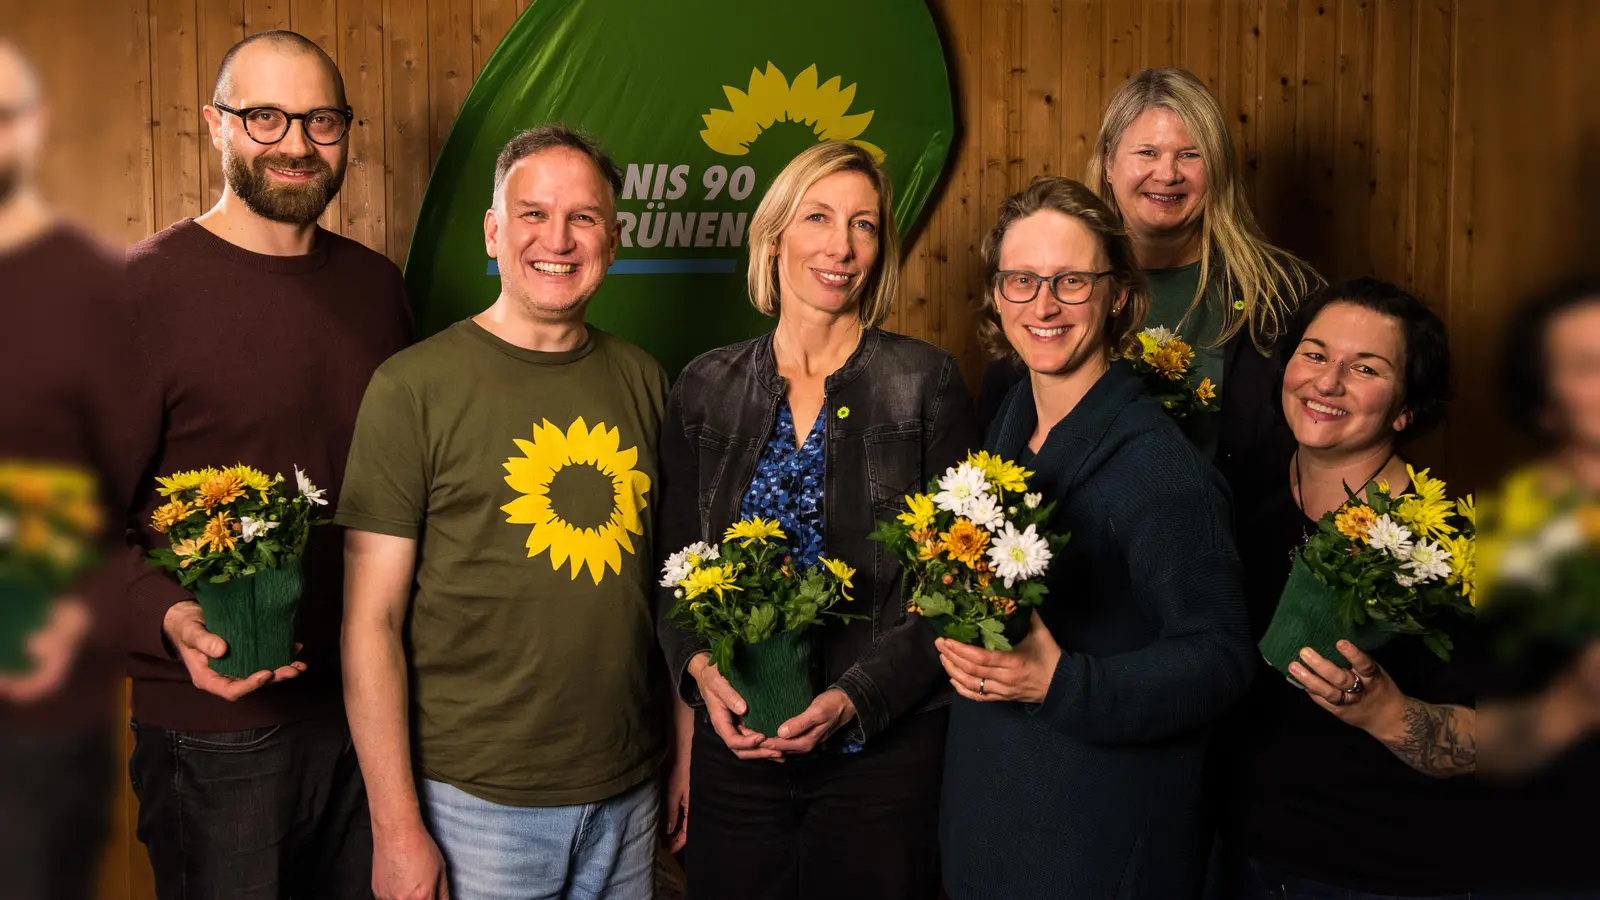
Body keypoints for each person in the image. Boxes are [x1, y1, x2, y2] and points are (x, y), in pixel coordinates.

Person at [340, 124, 680, 900]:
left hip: (628, 792)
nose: (556, 238)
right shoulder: (411, 388)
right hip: (474, 804)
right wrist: (396, 829)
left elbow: (666, 596)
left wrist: (677, 753)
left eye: (584, 218)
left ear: (614, 239)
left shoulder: (645, 381)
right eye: (532, 214)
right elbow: (370, 624)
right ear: (494, 232)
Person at [121, 30, 412, 899]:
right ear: (216, 126)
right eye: (265, 117)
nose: (295, 143)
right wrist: (170, 620)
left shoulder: (376, 287)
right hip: (216, 732)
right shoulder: (138, 294)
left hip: (373, 718)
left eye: (320, 120)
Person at [656, 140, 979, 899]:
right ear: (776, 237)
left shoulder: (924, 382)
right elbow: (672, 569)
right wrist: (701, 680)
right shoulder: (706, 385)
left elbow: (954, 586)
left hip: (884, 753)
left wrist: (855, 699)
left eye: (864, 225)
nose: (841, 245)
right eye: (819, 217)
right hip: (739, 749)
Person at [933, 174, 1252, 899]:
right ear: (997, 295)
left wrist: (1061, 681)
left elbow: (1222, 659)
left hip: (1094, 841)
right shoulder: (1011, 420)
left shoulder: (1163, 471)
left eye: (1071, 281)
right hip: (989, 821)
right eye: (1022, 280)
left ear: (1119, 296)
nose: (1043, 305)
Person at [1212, 278, 1474, 899]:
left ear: (1406, 410)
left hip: (1371, 873)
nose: (1327, 383)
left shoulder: (1445, 548)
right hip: (1231, 851)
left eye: (1365, 368)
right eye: (1315, 353)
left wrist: (1387, 713)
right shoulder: (1240, 500)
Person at [977, 67, 1319, 482]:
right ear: (1108, 163)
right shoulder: (1041, 284)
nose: (1168, 173)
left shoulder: (1279, 292)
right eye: (1147, 153)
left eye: (1190, 155)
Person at [0, 38, 147, 900]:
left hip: (33, 736)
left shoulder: (95, 291)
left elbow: (143, 508)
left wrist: (72, 617)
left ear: (36, 126)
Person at [1474, 280, 1600, 898]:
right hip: (1555, 862)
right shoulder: (1509, 541)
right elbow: (1475, 746)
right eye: (1587, 367)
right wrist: (1575, 704)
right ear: (1546, 402)